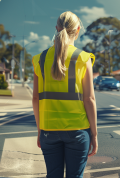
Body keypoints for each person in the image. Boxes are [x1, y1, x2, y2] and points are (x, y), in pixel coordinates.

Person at [32, 11, 97, 178]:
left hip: (48, 129)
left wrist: (40, 131)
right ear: (78, 30)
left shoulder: (40, 59)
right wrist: (94, 135)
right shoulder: (83, 58)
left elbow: (35, 99)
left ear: (56, 28)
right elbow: (89, 99)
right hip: (77, 130)